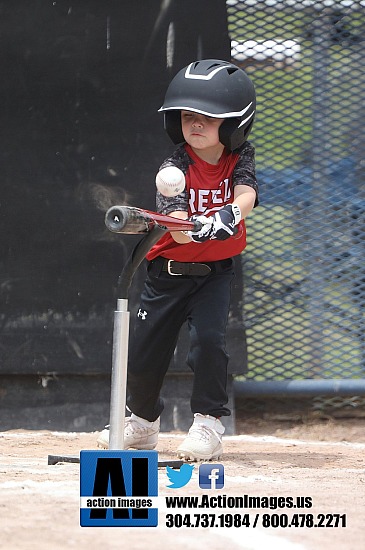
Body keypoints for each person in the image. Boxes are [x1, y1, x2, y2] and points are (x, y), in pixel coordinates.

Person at [97, 59, 258, 461]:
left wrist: (228, 216)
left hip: (214, 276)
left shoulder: (239, 157)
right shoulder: (174, 167)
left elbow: (246, 194)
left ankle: (208, 423)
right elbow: (180, 229)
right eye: (188, 117)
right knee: (146, 351)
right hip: (166, 274)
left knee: (208, 344)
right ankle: (144, 423)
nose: (196, 125)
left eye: (207, 118)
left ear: (234, 124)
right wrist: (196, 228)